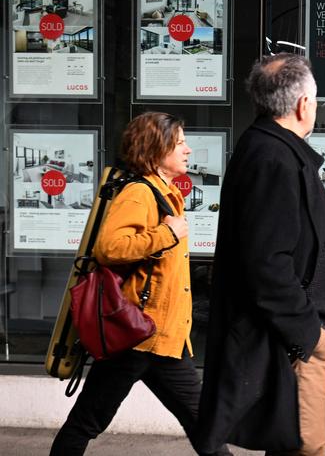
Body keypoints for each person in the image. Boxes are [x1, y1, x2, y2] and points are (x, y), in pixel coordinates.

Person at [50, 112, 231, 456]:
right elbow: (110, 248)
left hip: (159, 338)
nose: (188, 150)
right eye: (180, 143)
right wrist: (167, 233)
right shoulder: (139, 193)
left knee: (202, 423)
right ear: (155, 149)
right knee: (88, 421)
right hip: (139, 336)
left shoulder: (163, 192)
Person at [196, 53, 325, 456]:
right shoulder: (273, 158)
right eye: (315, 100)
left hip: (290, 341)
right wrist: (311, 334)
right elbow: (267, 262)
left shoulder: (270, 150)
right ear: (303, 105)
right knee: (304, 450)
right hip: (295, 344)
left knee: (291, 446)